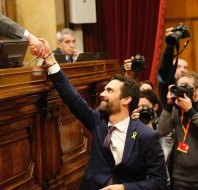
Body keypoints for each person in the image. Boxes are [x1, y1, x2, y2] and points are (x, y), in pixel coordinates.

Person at [31, 38, 167, 190]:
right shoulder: (98, 120)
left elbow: (159, 182)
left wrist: (124, 188)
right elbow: (72, 97)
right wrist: (49, 58)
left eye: (109, 90)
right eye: (104, 89)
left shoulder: (146, 136)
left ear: (126, 100)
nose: (102, 93)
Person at [157, 71, 198, 190]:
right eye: (180, 87)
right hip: (179, 177)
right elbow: (162, 131)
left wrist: (190, 110)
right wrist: (169, 105)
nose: (183, 91)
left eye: (187, 87)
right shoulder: (175, 110)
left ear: (196, 91)